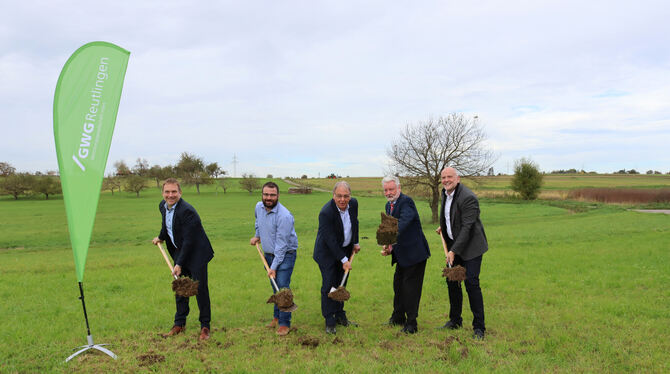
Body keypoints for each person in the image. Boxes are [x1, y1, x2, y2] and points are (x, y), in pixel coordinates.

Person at [152, 178, 214, 341]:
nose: (170, 195)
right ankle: (179, 324)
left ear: (180, 193)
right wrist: (160, 237)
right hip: (181, 252)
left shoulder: (187, 211)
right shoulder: (162, 206)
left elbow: (189, 240)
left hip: (197, 253)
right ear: (163, 193)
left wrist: (179, 263)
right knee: (180, 288)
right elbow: (167, 225)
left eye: (174, 192)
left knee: (199, 289)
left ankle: (205, 326)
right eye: (167, 192)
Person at [436, 167, 488, 340]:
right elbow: (450, 216)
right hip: (454, 245)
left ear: (458, 178)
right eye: (443, 177)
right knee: (452, 282)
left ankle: (479, 328)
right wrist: (443, 228)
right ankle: (455, 320)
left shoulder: (468, 198)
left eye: (449, 177)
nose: (446, 180)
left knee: (471, 284)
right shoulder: (446, 193)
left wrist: (453, 251)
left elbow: (467, 227)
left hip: (471, 248)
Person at [380, 176, 430, 334]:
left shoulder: (406, 202)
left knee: (411, 289)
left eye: (391, 189)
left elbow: (403, 223)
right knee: (398, 286)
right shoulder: (389, 206)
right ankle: (398, 317)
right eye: (386, 190)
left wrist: (388, 237)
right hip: (402, 255)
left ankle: (411, 323)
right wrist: (388, 246)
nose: (388, 193)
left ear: (399, 188)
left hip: (415, 254)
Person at [250, 181, 298, 336]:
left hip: (285, 254)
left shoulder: (284, 216)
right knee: (274, 286)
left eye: (272, 195)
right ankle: (277, 317)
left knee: (282, 288)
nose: (268, 197)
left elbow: (282, 246)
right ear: (262, 194)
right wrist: (257, 235)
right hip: (268, 254)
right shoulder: (258, 207)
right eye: (266, 194)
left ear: (278, 196)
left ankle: (285, 323)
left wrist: (274, 267)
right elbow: (258, 222)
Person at [313, 181, 361, 334]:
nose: (342, 199)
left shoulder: (353, 204)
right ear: (333, 196)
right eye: (339, 196)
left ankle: (340, 315)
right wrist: (344, 260)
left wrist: (356, 242)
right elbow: (330, 240)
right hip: (327, 253)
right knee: (329, 285)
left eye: (346, 196)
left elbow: (355, 222)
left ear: (350, 196)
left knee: (341, 284)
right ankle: (329, 320)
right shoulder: (326, 213)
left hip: (345, 250)